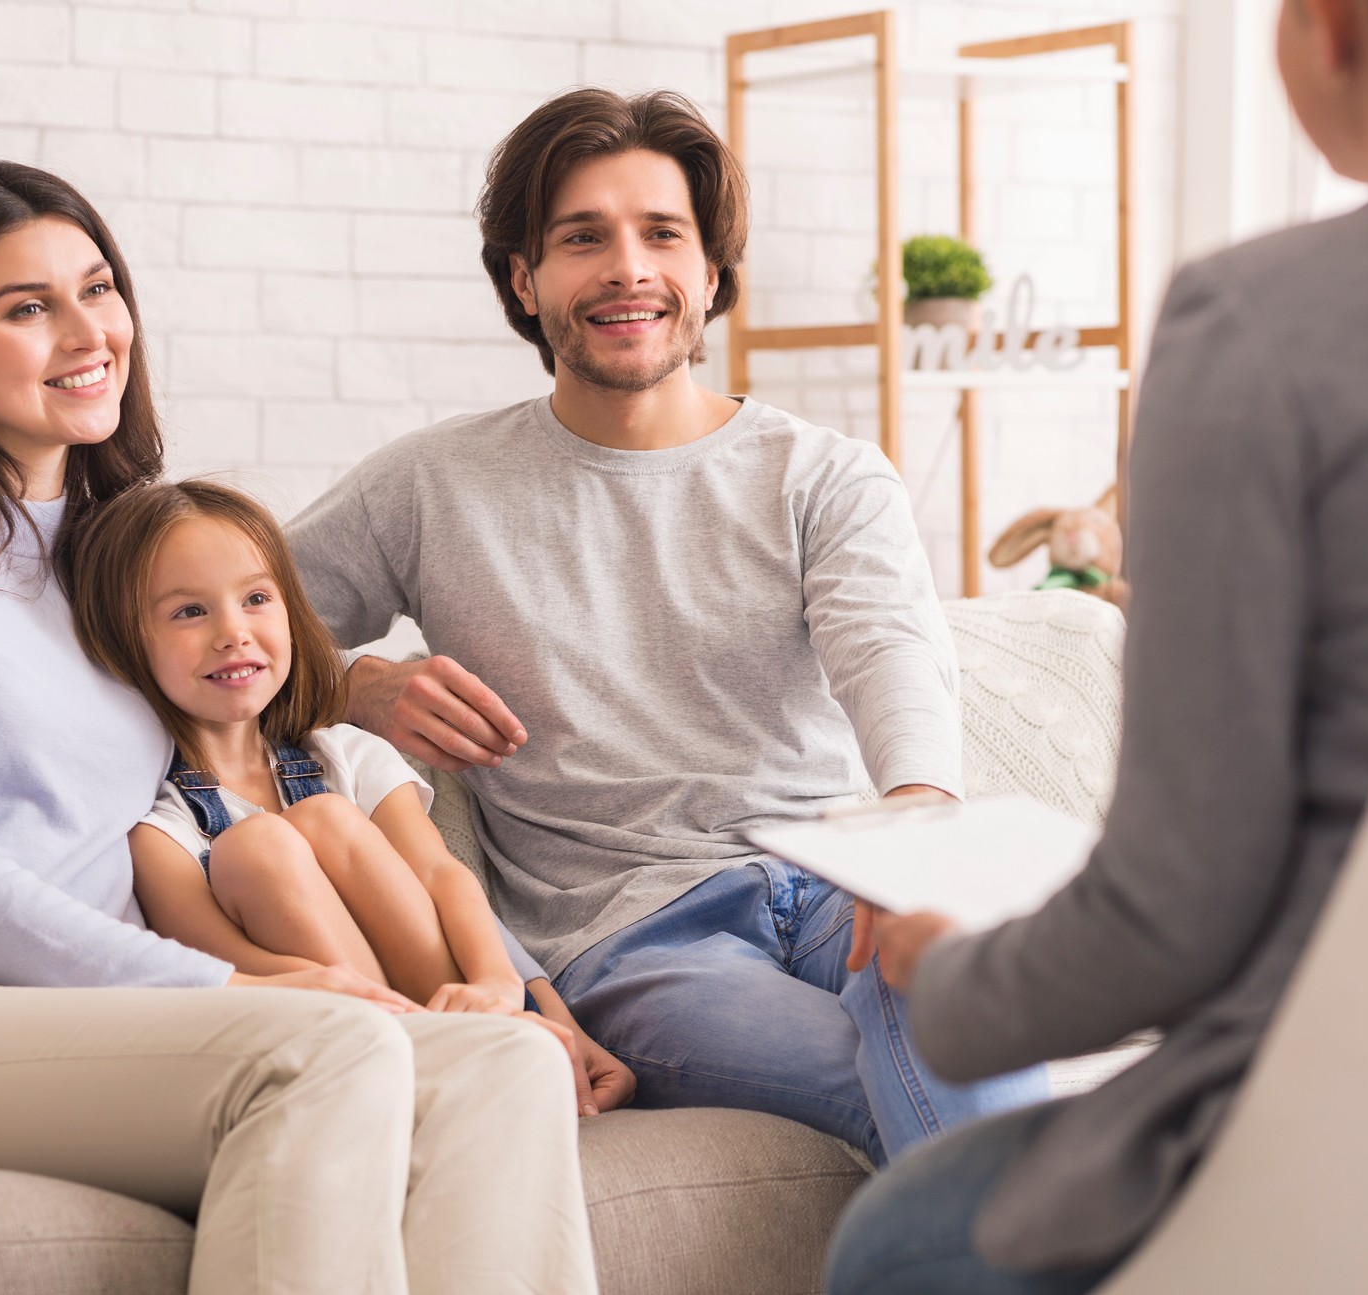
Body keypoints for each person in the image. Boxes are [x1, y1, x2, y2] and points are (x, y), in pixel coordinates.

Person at [0, 160, 597, 1295]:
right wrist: (228, 990)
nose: (87, 333)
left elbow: (274, 729)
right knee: (318, 1052)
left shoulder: (121, 555)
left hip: (81, 1016)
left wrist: (527, 989)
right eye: (27, 307)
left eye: (98, 288)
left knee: (504, 1065)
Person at [823, 0, 1368, 1290]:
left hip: (1349, 1135)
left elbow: (1172, 918)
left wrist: (944, 969)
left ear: (1331, 28)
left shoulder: (1260, 325)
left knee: (897, 1247)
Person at [283, 87, 1045, 1167]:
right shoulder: (428, 486)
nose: (627, 268)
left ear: (711, 272)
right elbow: (219, 627)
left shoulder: (822, 474)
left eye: (661, 235)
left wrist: (917, 826)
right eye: (582, 237)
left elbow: (890, 649)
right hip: (638, 938)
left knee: (960, 1008)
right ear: (524, 278)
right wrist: (352, 686)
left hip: (835, 878)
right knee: (929, 1086)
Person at [67, 477, 630, 1108]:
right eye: (189, 611)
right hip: (343, 1041)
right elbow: (226, 973)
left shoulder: (347, 755)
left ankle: (482, 1043)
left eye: (256, 597)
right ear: (124, 641)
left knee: (325, 817)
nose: (233, 632)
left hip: (459, 1006)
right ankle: (440, 1057)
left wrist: (516, 994)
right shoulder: (158, 833)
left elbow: (443, 879)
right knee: (257, 846)